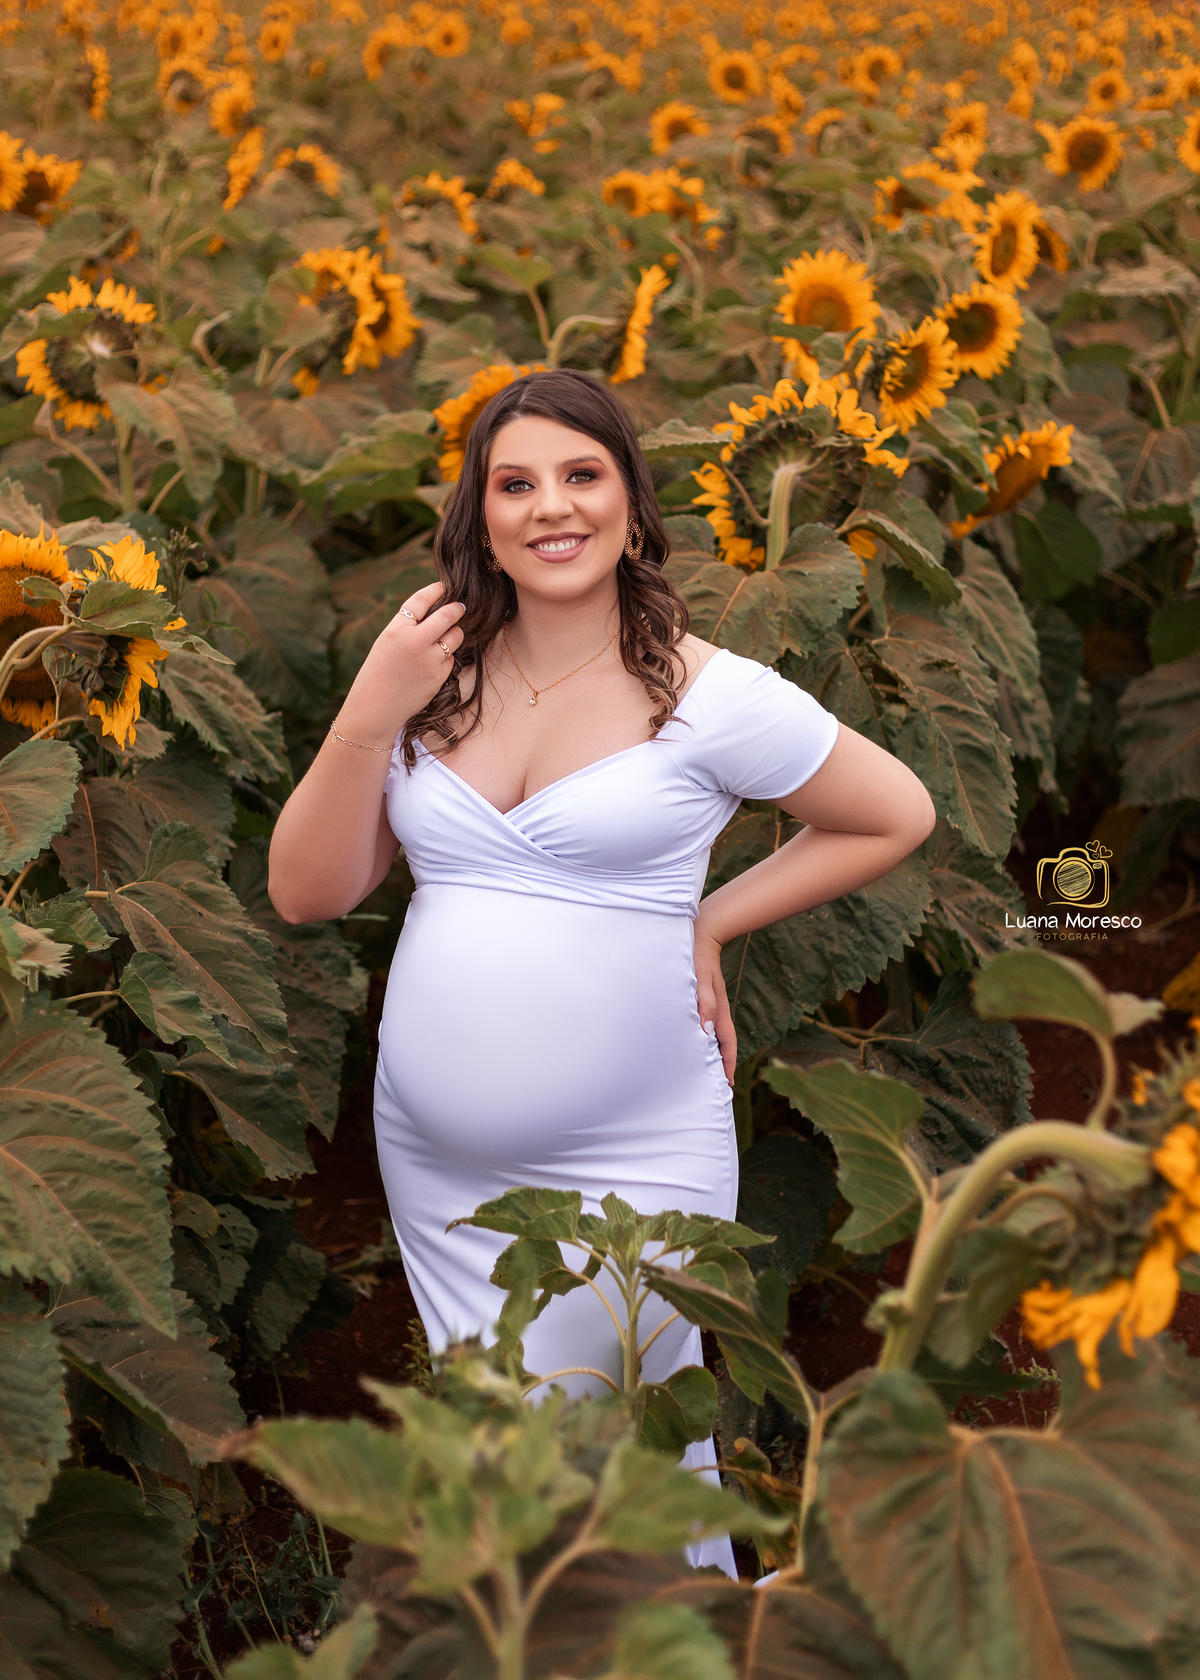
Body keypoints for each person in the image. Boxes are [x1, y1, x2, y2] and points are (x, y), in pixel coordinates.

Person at [269, 368, 935, 1578]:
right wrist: (369, 710)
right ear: (479, 516)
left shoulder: (707, 695)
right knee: (497, 1478)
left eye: (582, 475)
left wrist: (711, 922)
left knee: (620, 1471)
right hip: (441, 1168)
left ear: (633, 502)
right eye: (514, 484)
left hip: (628, 1159)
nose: (551, 507)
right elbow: (308, 894)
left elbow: (894, 814)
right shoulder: (434, 679)